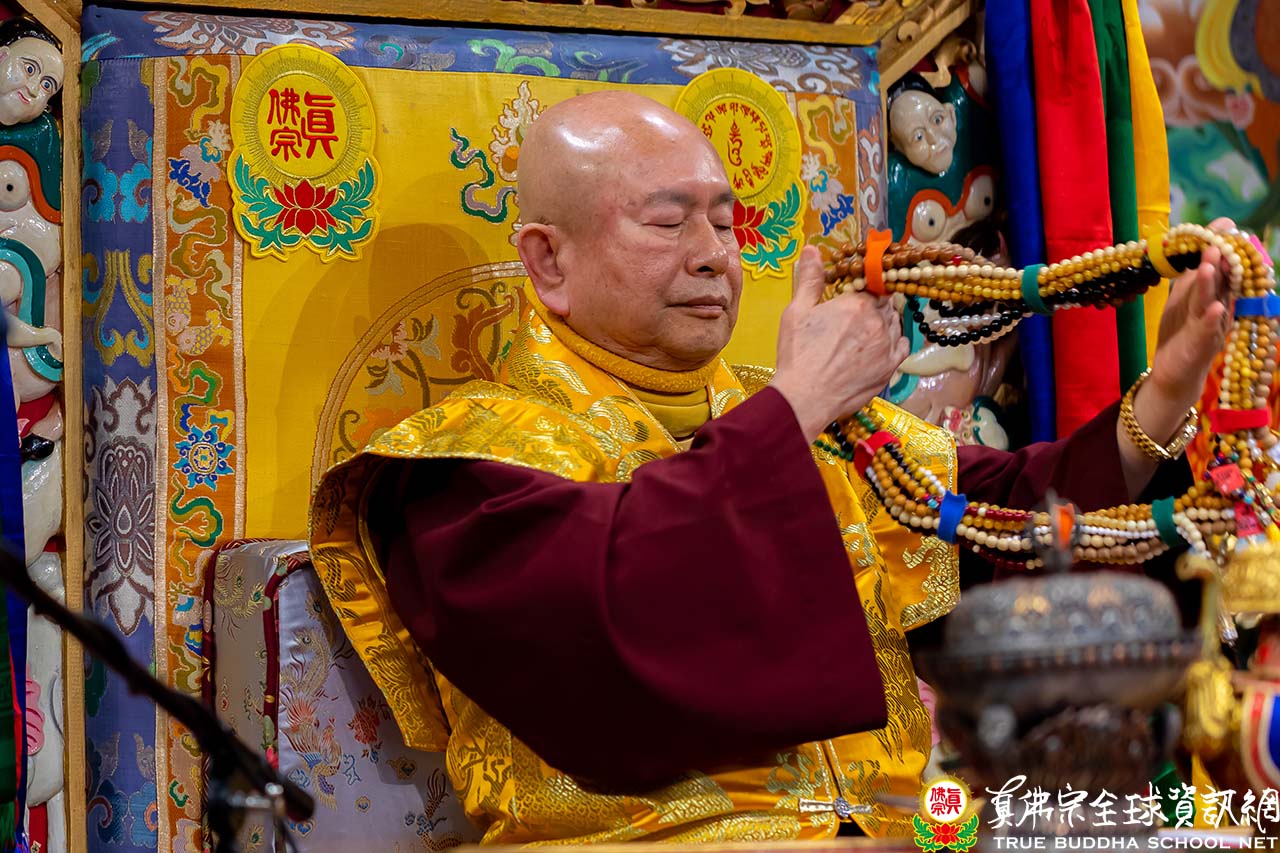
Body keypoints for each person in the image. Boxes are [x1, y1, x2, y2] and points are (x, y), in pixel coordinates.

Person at [309, 91, 1232, 844]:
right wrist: (793, 410)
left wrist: (1167, 387)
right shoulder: (462, 467)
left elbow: (997, 520)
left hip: (899, 831)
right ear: (548, 260)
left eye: (726, 221)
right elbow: (617, 625)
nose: (715, 257)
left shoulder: (796, 420)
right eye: (668, 222)